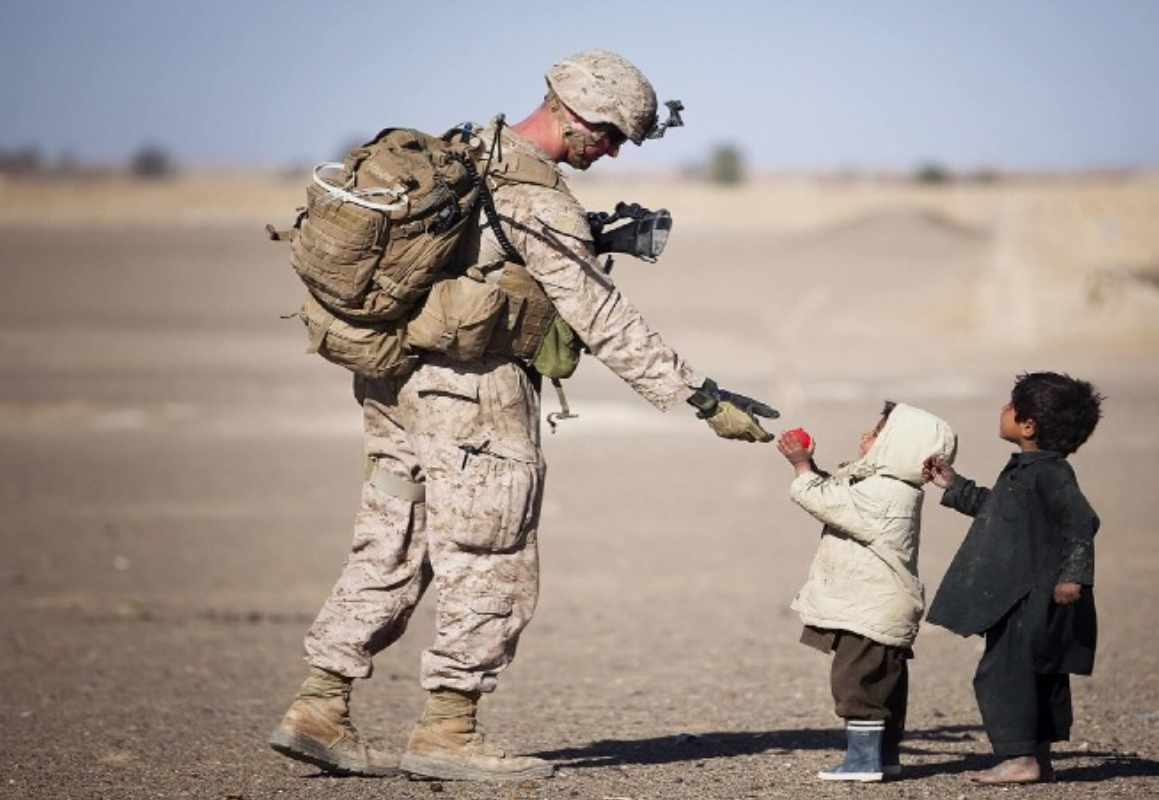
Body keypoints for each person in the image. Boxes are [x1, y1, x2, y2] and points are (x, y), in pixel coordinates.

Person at [267, 49, 779, 783]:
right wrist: (700, 397)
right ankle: (449, 730)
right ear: (573, 117)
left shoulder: (470, 152)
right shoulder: (536, 194)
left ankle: (319, 706)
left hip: (393, 385)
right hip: (472, 397)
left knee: (393, 538)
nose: (610, 153)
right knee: (490, 554)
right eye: (608, 137)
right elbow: (599, 316)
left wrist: (587, 237)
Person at [923, 372, 1104, 785]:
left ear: (1028, 426)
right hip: (1019, 594)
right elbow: (1000, 514)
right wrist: (954, 485)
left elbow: (1082, 522)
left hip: (1033, 596)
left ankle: (1019, 758)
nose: (1003, 410)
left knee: (1005, 673)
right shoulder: (1027, 469)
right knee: (1033, 670)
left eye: (1011, 405)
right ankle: (1036, 756)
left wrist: (1073, 575)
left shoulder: (1051, 474)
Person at [775, 403, 958, 782]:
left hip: (870, 610)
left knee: (857, 684)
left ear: (898, 446)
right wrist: (812, 465)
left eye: (876, 433)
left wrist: (800, 467)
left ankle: (863, 761)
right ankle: (884, 756)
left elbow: (826, 500)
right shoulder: (887, 488)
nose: (865, 437)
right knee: (884, 685)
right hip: (878, 606)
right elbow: (841, 492)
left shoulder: (886, 493)